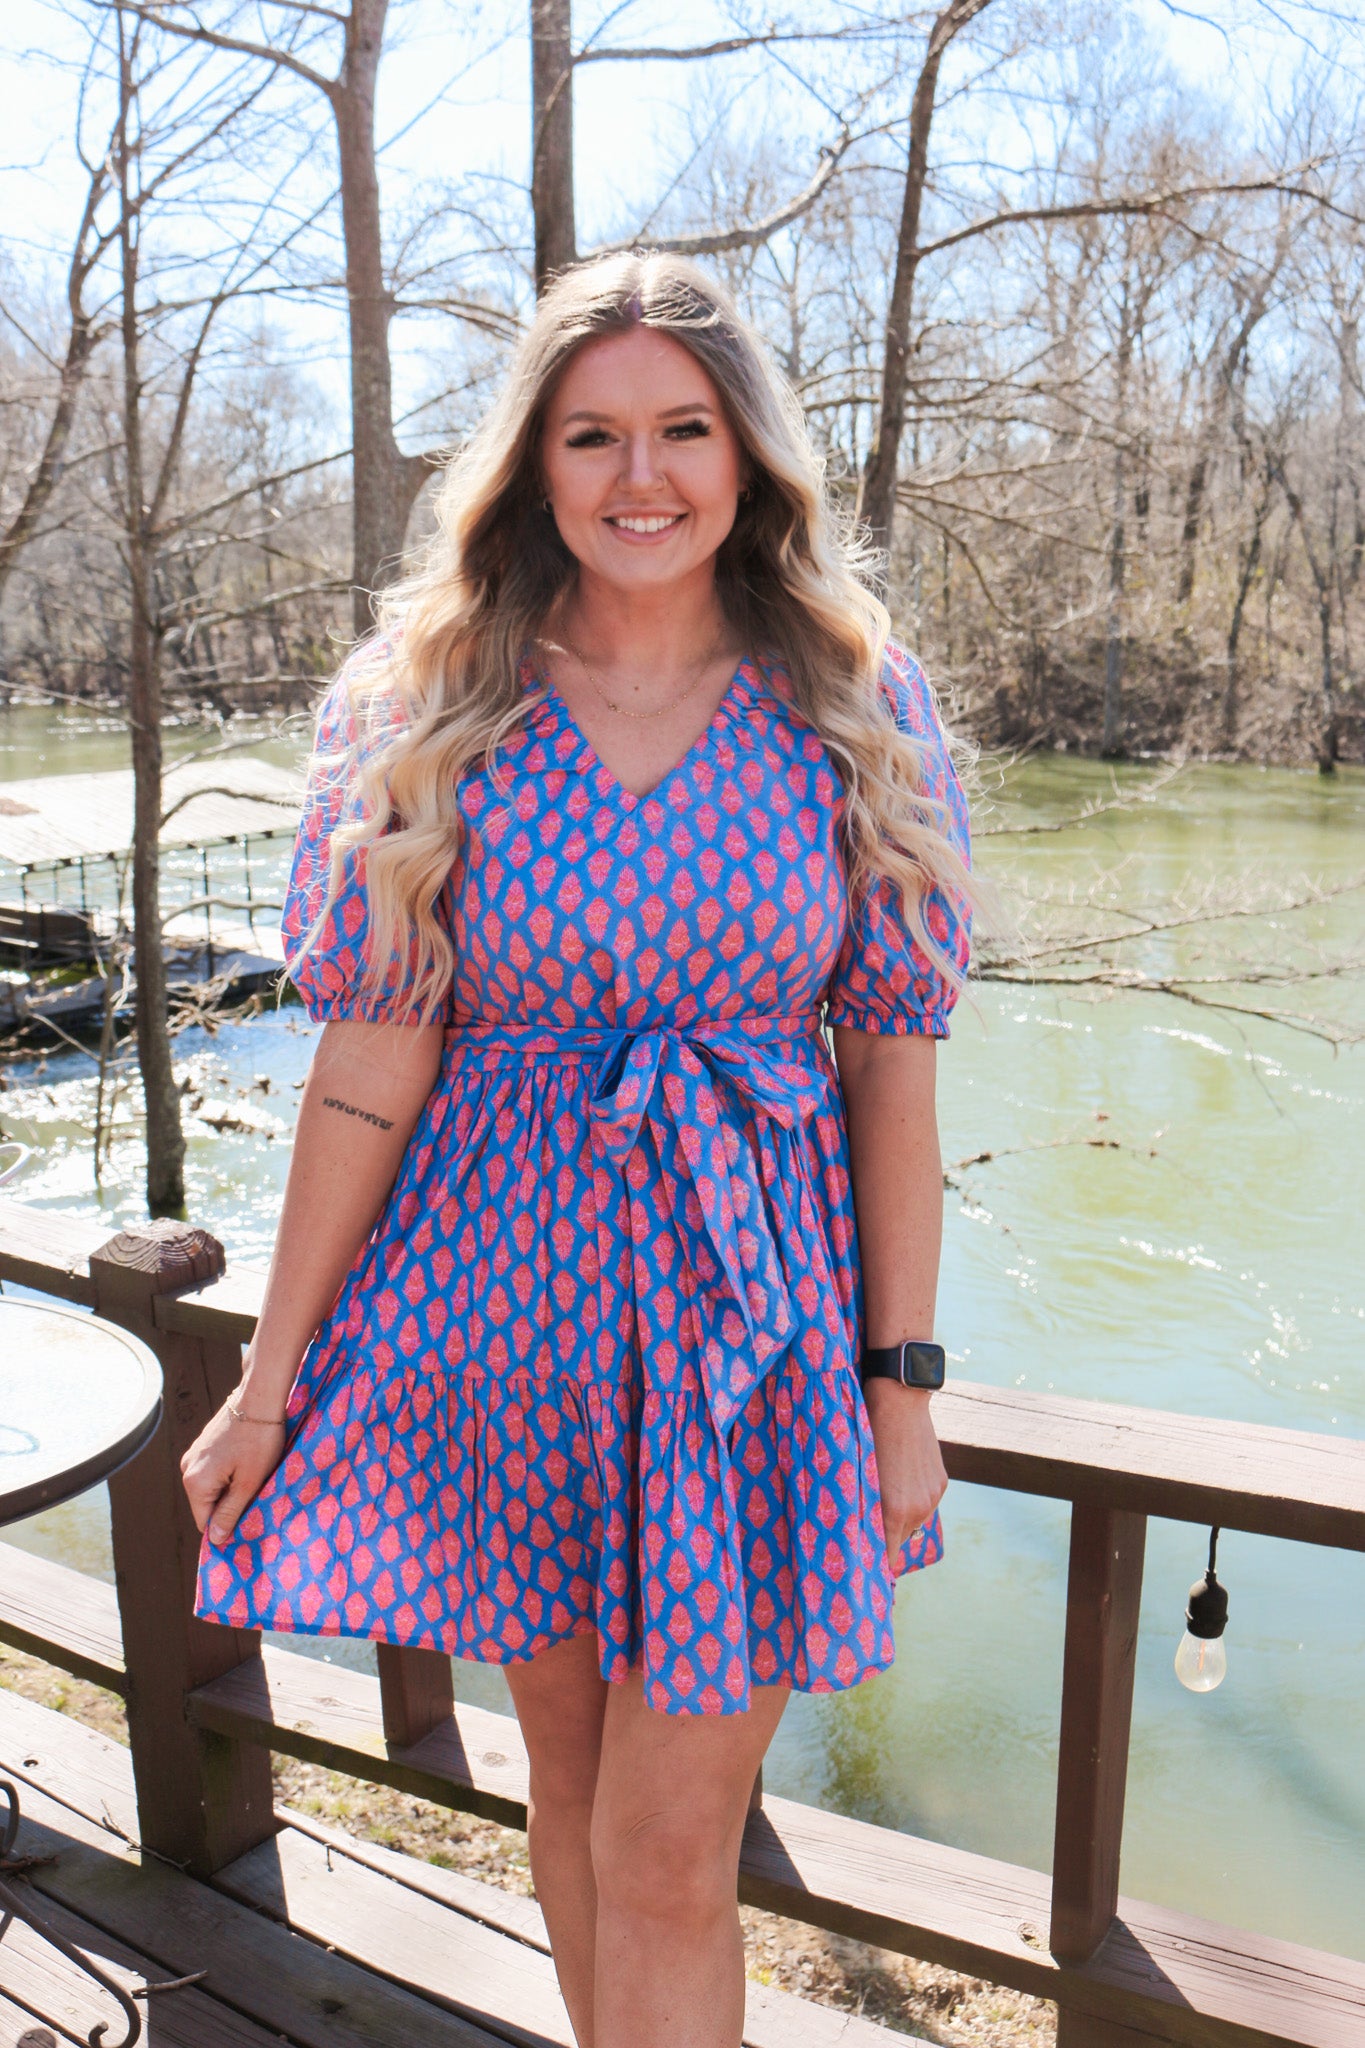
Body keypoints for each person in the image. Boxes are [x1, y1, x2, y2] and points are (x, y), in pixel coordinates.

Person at [181, 250, 972, 2048]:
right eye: (592, 434)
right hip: (500, 1315)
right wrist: (269, 1373)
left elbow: (893, 1074)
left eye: (684, 430)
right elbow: (370, 1074)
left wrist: (901, 1388)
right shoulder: (432, 695)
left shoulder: (851, 699)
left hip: (747, 1350)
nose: (642, 477)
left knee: (670, 1843)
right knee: (565, 1795)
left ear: (750, 455)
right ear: (532, 464)